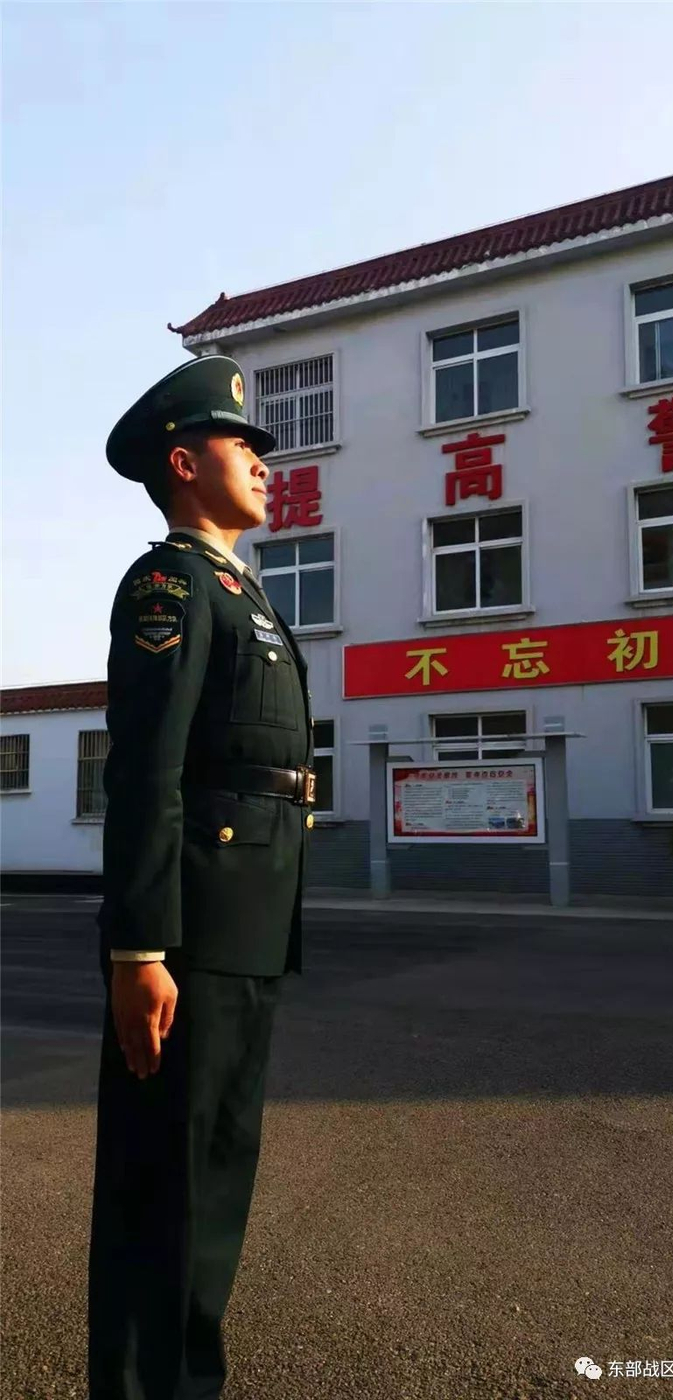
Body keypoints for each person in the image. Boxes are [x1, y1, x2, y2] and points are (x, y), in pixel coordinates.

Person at [88, 355, 315, 1400]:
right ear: (183, 463)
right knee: (165, 1189)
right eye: (242, 444)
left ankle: (190, 1379)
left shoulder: (242, 592)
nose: (264, 462)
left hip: (248, 928)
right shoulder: (170, 584)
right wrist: (138, 948)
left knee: (215, 1182)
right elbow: (147, 769)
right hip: (189, 936)